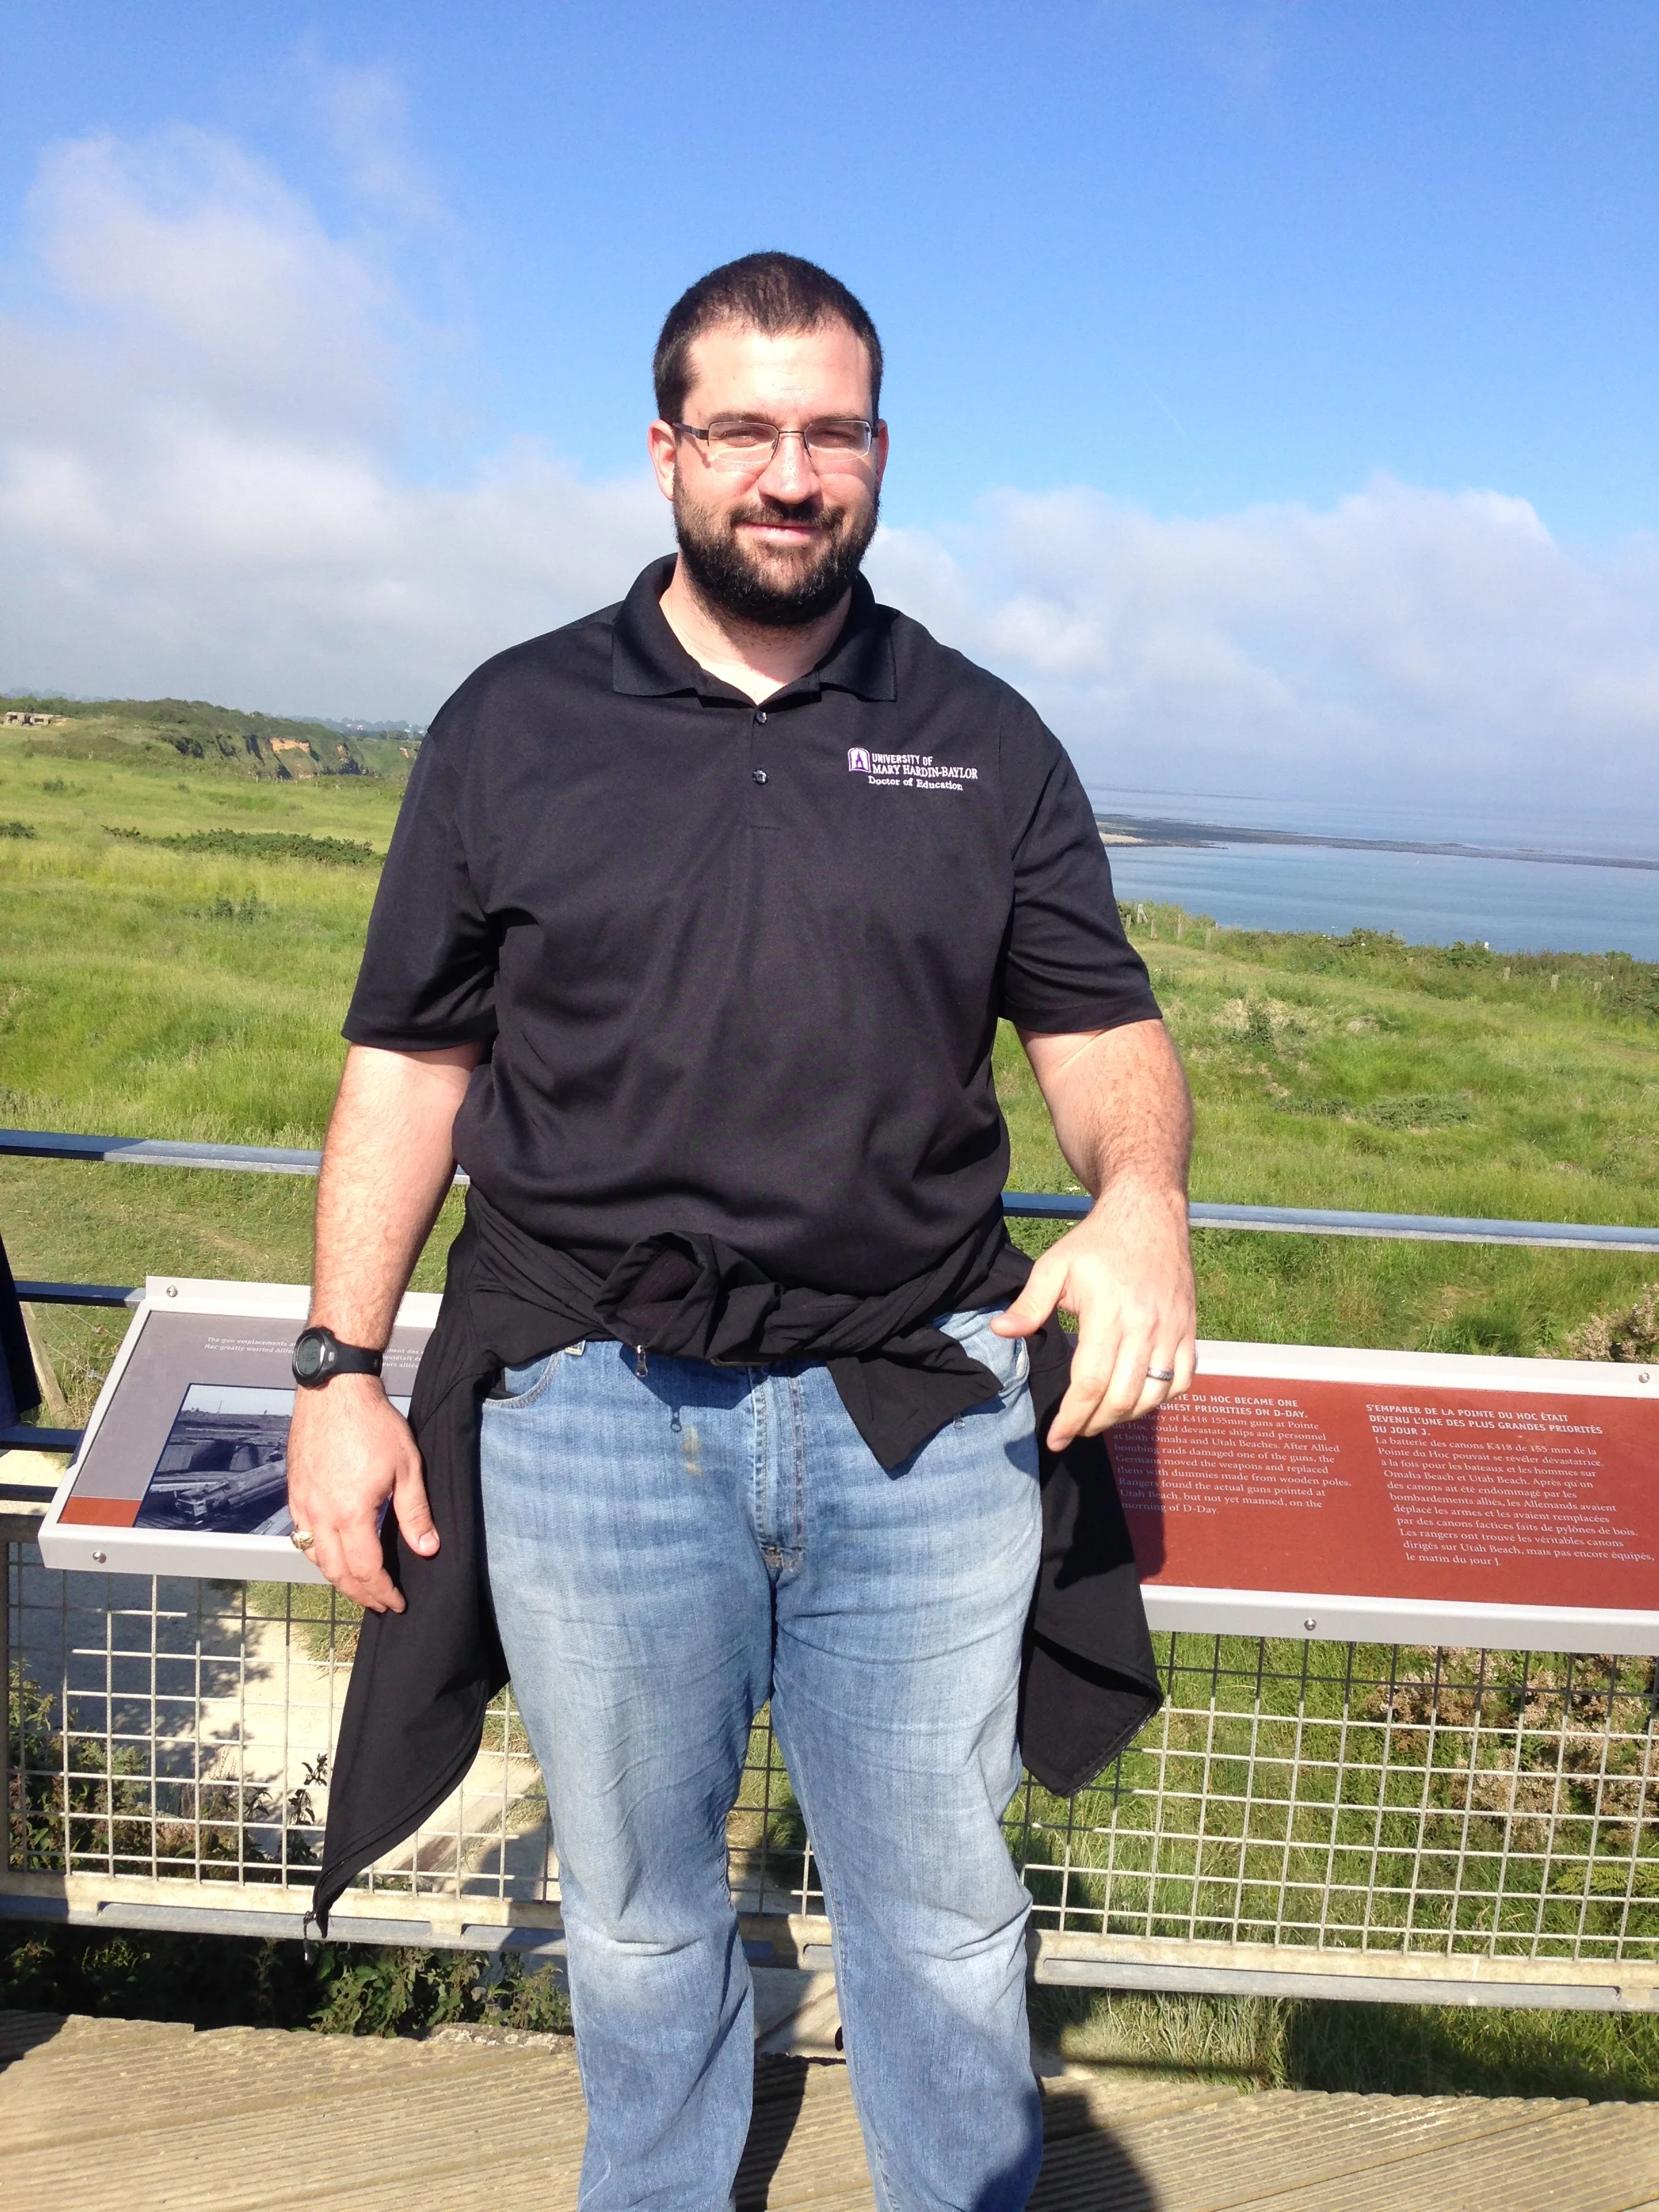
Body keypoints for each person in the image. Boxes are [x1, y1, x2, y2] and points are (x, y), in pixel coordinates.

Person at [287, 252, 1195, 2212]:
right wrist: (340, 1371)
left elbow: (1101, 1030)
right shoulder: (514, 723)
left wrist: (1142, 1197)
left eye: (832, 432)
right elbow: (412, 1062)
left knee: (943, 1908)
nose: (792, 475)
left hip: (918, 1410)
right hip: (592, 1411)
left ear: (881, 449)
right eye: (748, 432)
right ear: (668, 450)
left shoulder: (984, 735)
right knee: (632, 1906)